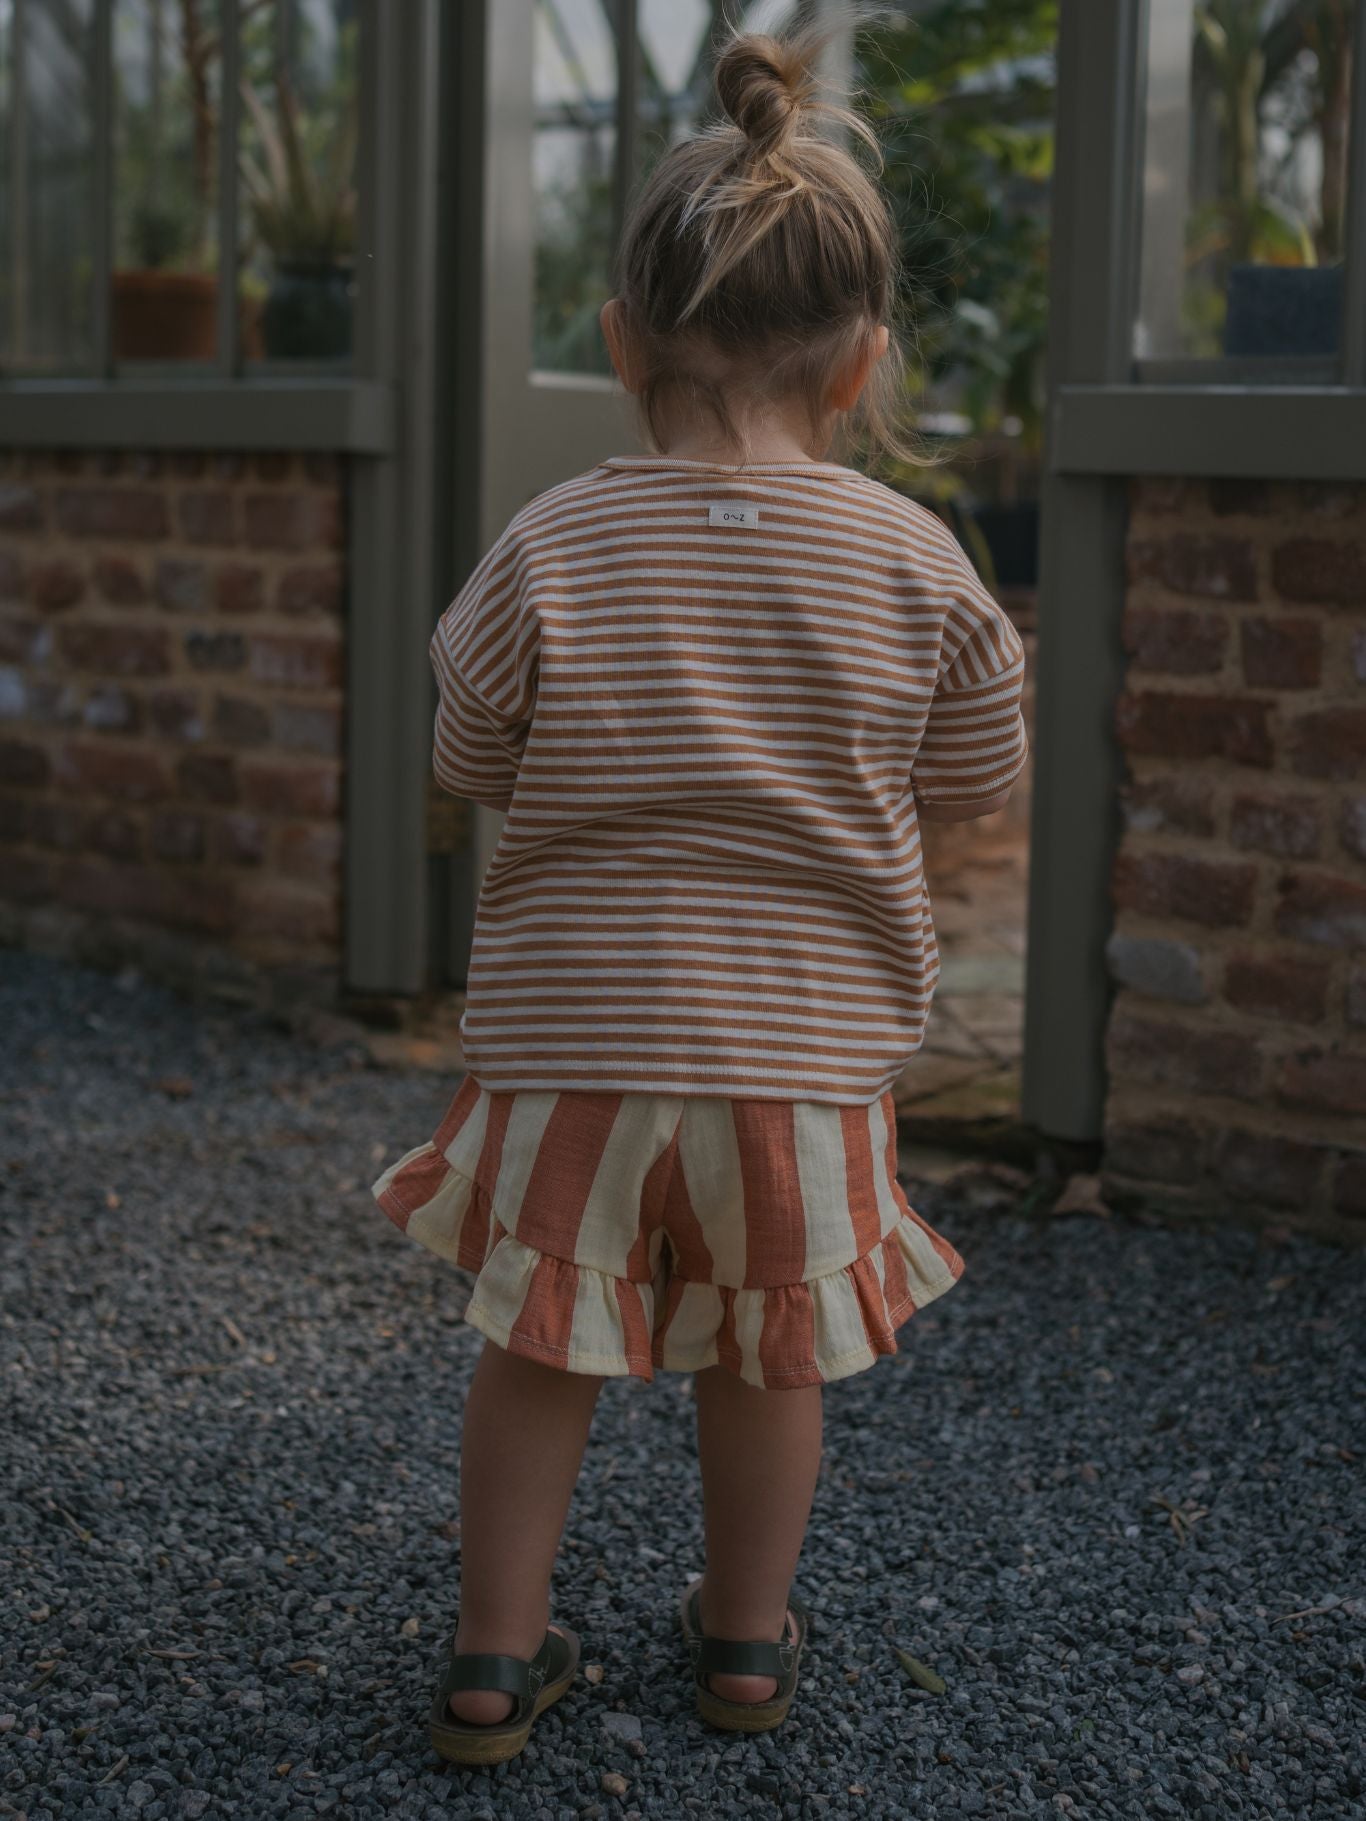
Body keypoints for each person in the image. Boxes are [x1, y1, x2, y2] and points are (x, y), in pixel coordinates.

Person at [370, 17, 1028, 1768]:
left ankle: (494, 1665)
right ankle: (743, 1642)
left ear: (618, 341)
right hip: (797, 1065)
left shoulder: (552, 537)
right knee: (769, 1353)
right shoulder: (914, 558)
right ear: (862, 364)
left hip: (572, 1040)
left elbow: (467, 749)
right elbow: (978, 781)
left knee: (540, 1344)